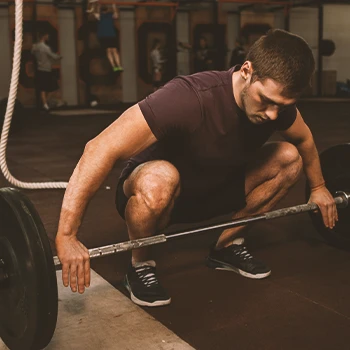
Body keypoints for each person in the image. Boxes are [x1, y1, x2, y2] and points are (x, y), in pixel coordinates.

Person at [55, 29, 337, 308]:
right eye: (267, 101)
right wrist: (67, 235)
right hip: (160, 195)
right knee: (160, 179)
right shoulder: (189, 97)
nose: (273, 114)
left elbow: (305, 140)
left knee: (290, 157)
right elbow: (99, 148)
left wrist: (319, 187)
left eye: (283, 106)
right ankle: (140, 264)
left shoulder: (277, 106)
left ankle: (227, 246)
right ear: (247, 71)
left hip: (215, 186)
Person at [31, 31, 62, 111]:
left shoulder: (35, 47)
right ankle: (46, 103)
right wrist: (60, 56)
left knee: (42, 88)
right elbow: (54, 57)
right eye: (47, 35)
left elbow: (32, 53)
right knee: (54, 87)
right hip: (46, 69)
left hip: (39, 69)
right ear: (44, 36)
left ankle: (45, 104)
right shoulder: (45, 47)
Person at [93, 4, 123, 72]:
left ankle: (116, 65)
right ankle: (117, 65)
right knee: (112, 50)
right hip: (108, 35)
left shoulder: (106, 15)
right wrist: (114, 6)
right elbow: (116, 14)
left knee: (111, 50)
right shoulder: (103, 16)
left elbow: (115, 14)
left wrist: (113, 6)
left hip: (106, 35)